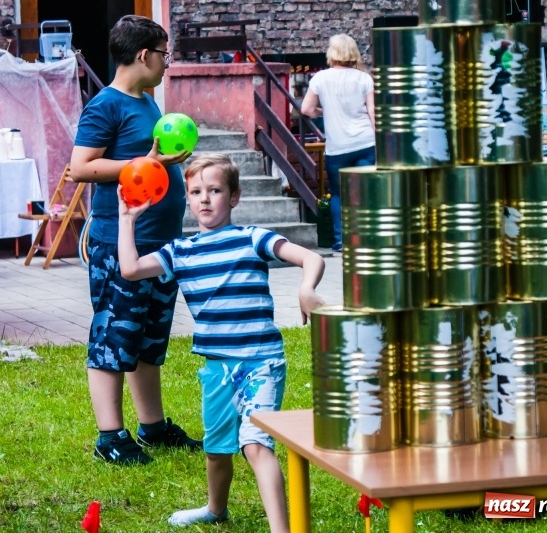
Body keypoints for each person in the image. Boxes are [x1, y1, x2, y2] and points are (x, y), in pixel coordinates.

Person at [117, 154, 326, 531]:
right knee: (216, 449)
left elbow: (310, 258)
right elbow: (130, 269)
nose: (205, 199)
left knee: (255, 445)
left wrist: (306, 289)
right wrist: (126, 219)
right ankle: (216, 509)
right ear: (187, 200)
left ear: (234, 197)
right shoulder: (179, 251)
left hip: (261, 363)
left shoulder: (252, 238)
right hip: (217, 367)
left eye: (215, 190)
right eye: (196, 192)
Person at [69, 15, 201, 466]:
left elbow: (152, 163)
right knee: (113, 336)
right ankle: (110, 436)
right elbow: (81, 168)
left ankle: (153, 427)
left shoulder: (147, 102)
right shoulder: (105, 105)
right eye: (165, 54)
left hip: (161, 244)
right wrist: (141, 163)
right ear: (144, 55)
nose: (168, 63)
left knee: (149, 340)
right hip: (120, 244)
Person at [301, 33, 376, 252]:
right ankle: (365, 238)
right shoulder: (364, 78)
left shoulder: (320, 79)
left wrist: (324, 111)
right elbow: (372, 112)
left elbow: (306, 110)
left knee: (338, 194)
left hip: (337, 147)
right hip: (365, 142)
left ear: (332, 52)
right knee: (365, 191)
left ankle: (341, 241)